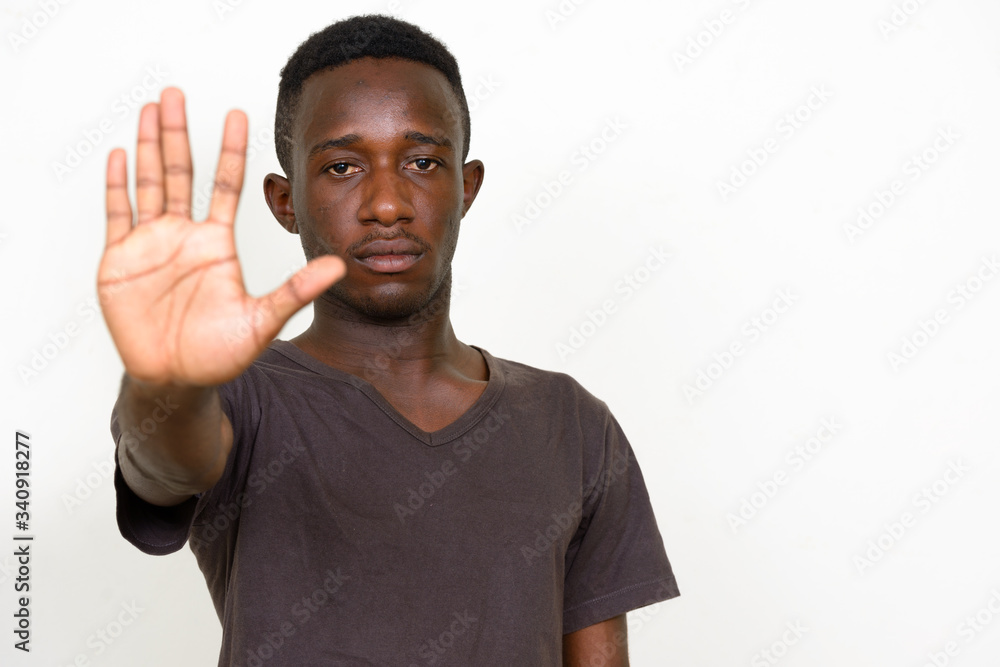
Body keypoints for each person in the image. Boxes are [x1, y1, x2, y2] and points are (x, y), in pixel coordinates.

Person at [100, 14, 679, 666]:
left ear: (466, 187)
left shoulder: (573, 426)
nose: (385, 204)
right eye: (343, 166)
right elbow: (164, 462)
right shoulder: (237, 395)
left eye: (422, 161)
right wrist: (168, 379)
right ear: (285, 202)